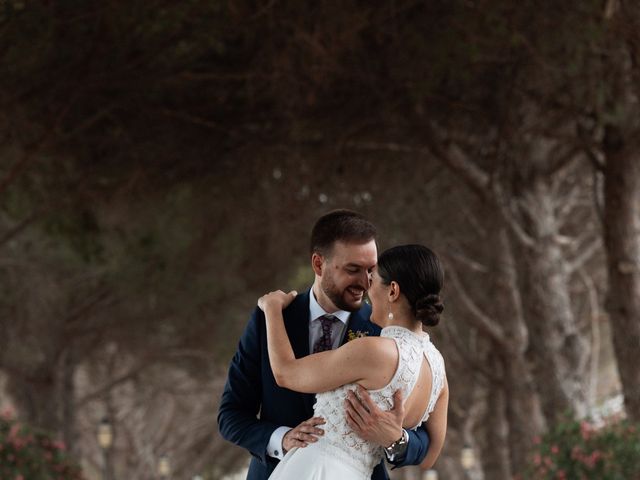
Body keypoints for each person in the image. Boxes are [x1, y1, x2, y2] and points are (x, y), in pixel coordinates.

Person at [218, 210, 432, 480]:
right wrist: (282, 440)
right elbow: (231, 415)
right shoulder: (270, 320)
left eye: (371, 271)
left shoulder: (386, 332)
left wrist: (396, 439)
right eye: (353, 270)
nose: (366, 283)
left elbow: (425, 438)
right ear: (318, 265)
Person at [259, 244, 448, 479]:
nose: (367, 289)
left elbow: (285, 373)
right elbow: (429, 457)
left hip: (317, 469)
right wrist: (395, 440)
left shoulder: (375, 350)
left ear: (393, 291)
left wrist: (272, 309)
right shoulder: (438, 368)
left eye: (372, 280)